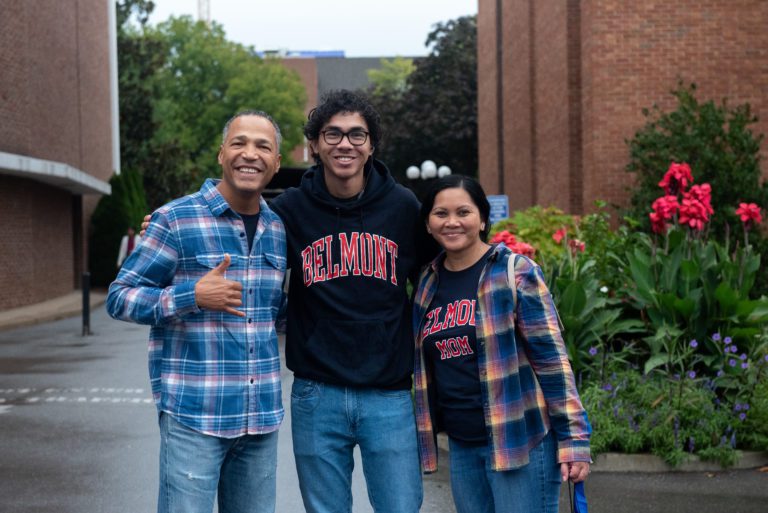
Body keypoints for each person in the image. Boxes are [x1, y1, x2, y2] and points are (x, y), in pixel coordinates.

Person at [107, 111, 287, 513]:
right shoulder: (175, 219)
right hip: (194, 417)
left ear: (276, 162)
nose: (250, 154)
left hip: (260, 420)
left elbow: (273, 310)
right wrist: (190, 296)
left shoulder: (278, 228)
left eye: (263, 146)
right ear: (221, 153)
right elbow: (119, 297)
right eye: (239, 143)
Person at [269, 90, 429, 513]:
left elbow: (438, 278)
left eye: (357, 135)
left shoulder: (402, 207)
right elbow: (243, 242)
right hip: (316, 393)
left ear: (372, 145)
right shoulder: (290, 210)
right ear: (316, 144)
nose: (345, 144)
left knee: (400, 507)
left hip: (388, 393)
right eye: (333, 134)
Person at [412, 174, 591, 513]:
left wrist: (574, 440)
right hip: (463, 447)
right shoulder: (426, 284)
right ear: (428, 224)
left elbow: (553, 362)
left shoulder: (515, 272)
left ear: (482, 219)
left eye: (463, 212)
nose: (452, 222)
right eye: (441, 214)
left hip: (519, 442)